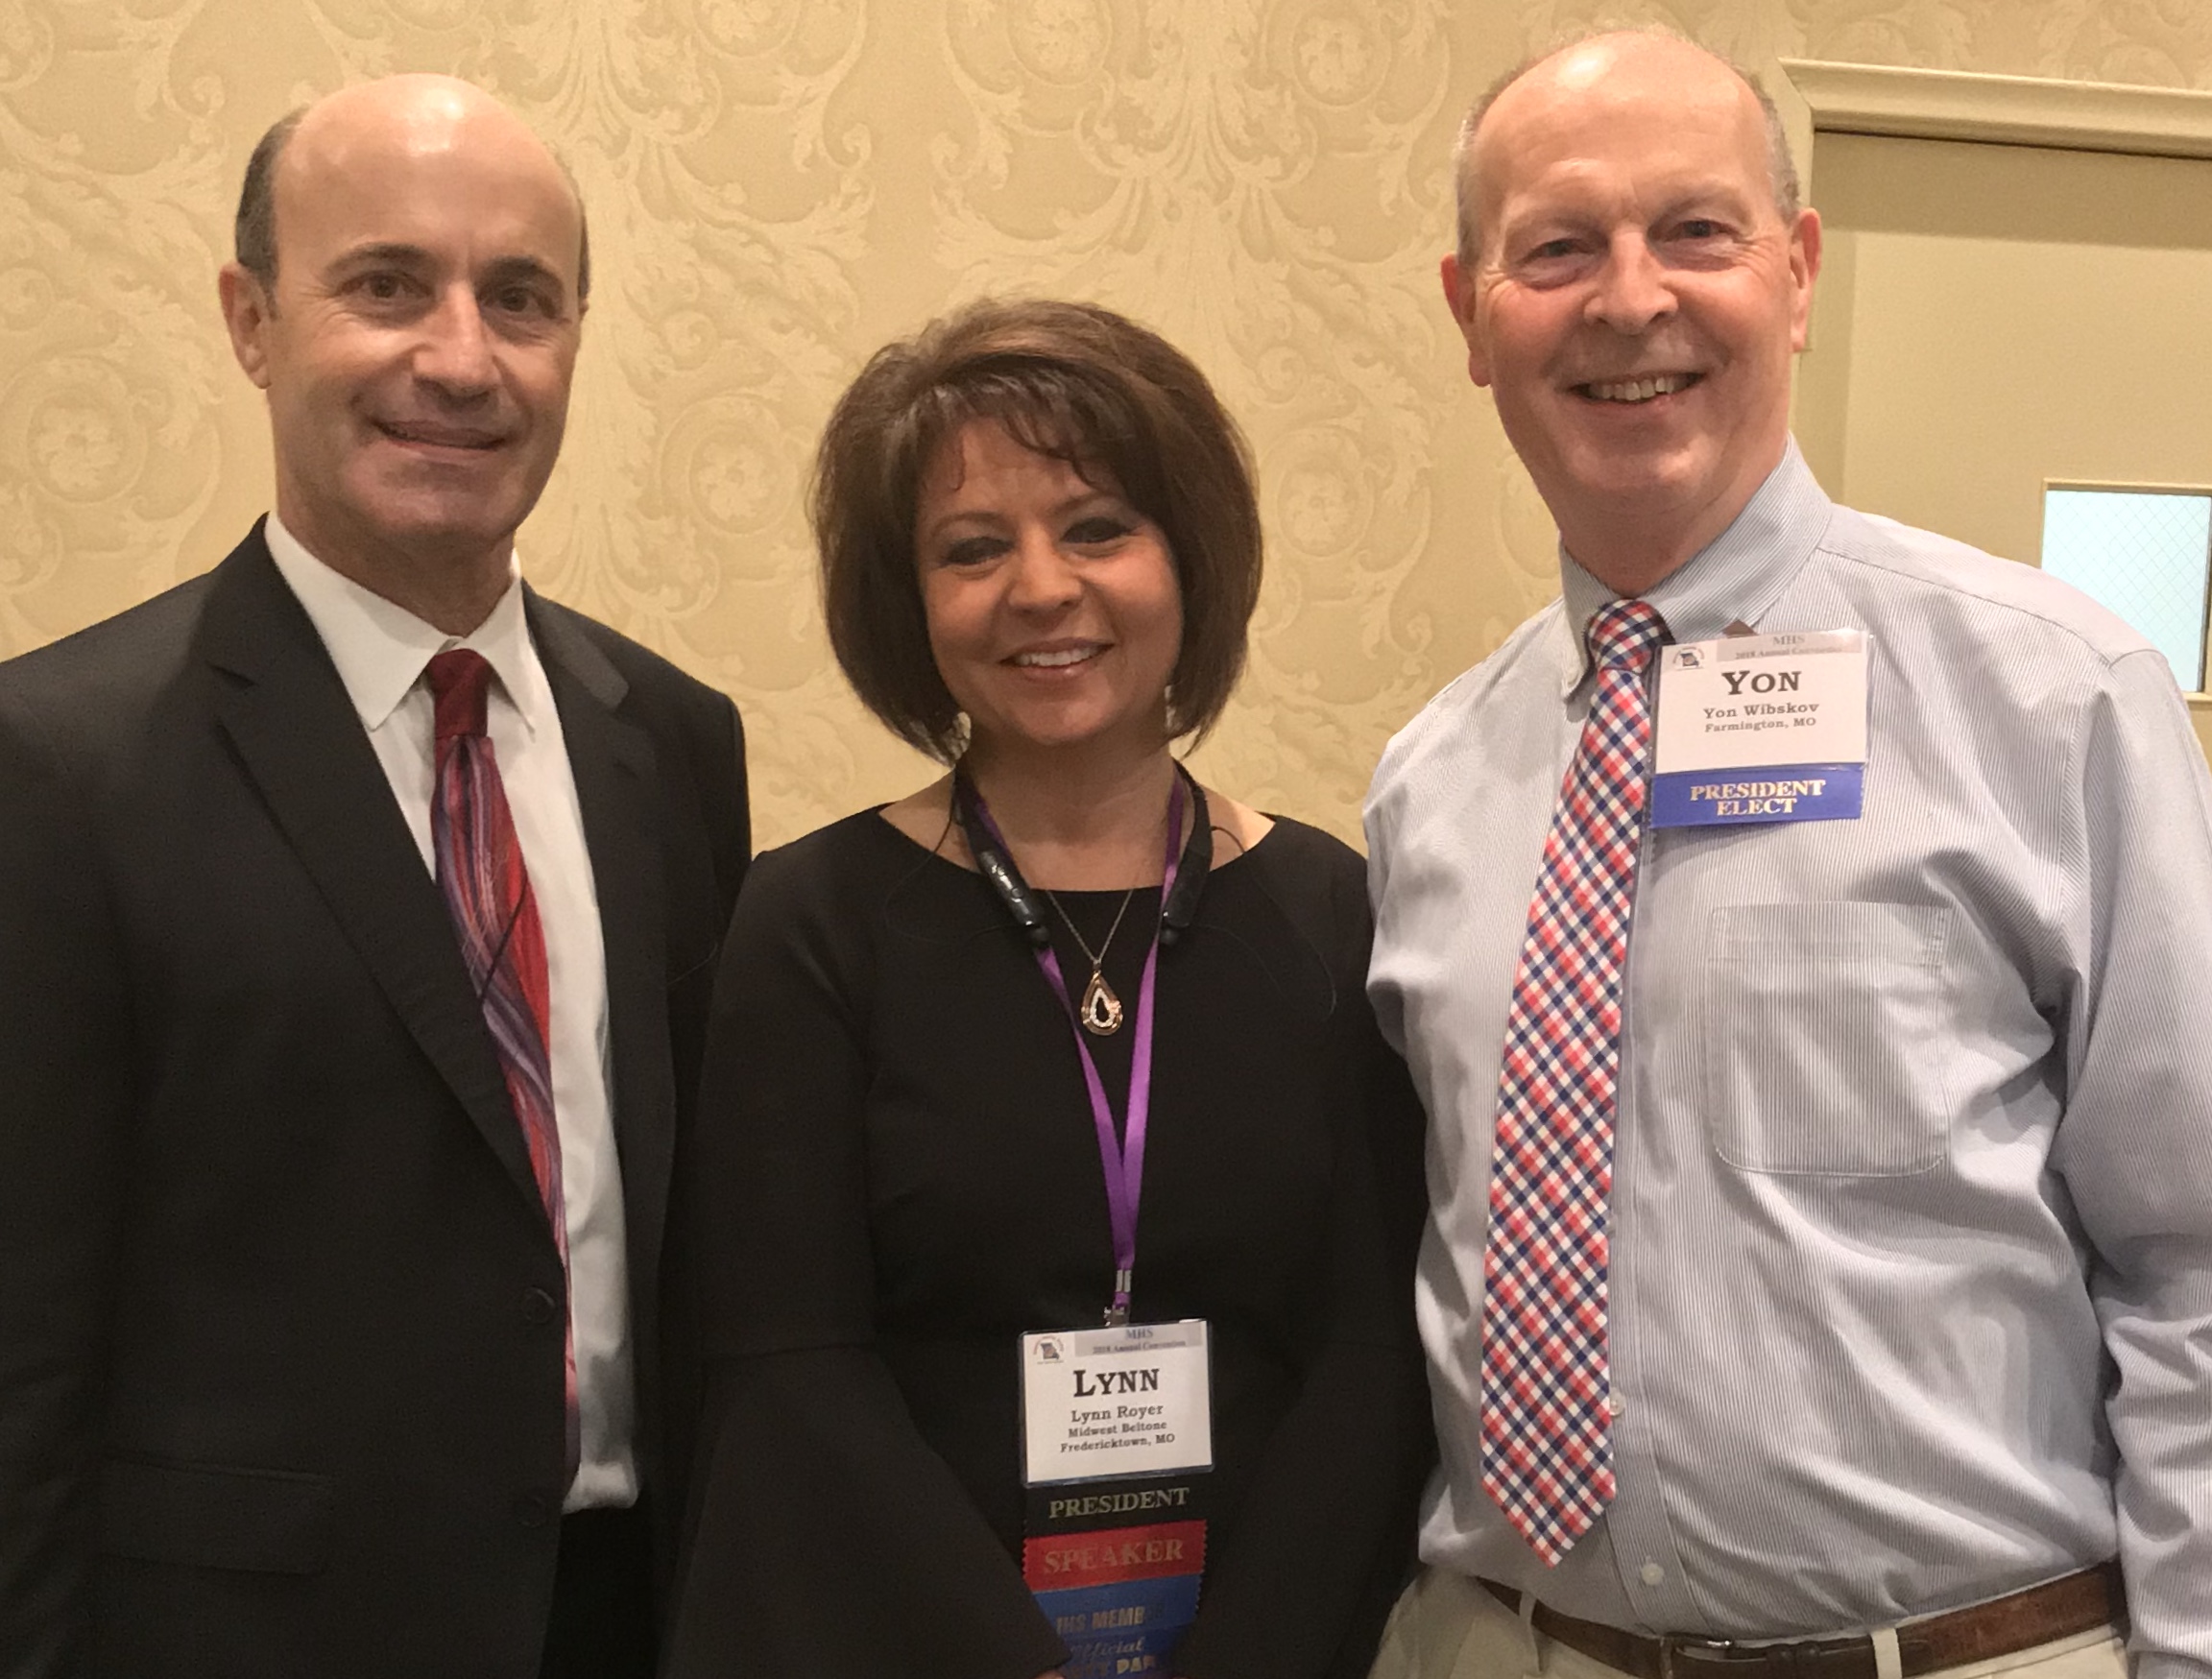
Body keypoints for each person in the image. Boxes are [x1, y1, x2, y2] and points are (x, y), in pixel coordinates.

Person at [1364, 27, 2212, 1679]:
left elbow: (2194, 1248)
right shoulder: (1431, 779)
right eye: (1556, 249)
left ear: (1797, 271)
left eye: (1696, 231)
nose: (1629, 300)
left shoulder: (2052, 697)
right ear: (1471, 317)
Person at [0, 76, 749, 1678]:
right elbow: (23, 1361)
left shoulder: (674, 742)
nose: (462, 359)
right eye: (387, 285)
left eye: (521, 300)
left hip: (629, 1622)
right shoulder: (58, 768)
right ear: (253, 320)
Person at [666, 297, 1431, 1679]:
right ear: (910, 604)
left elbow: (1370, 1357)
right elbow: (796, 1368)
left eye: (1096, 527)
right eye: (973, 548)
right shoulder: (812, 924)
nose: (1041, 586)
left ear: (1188, 559)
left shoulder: (1332, 911)